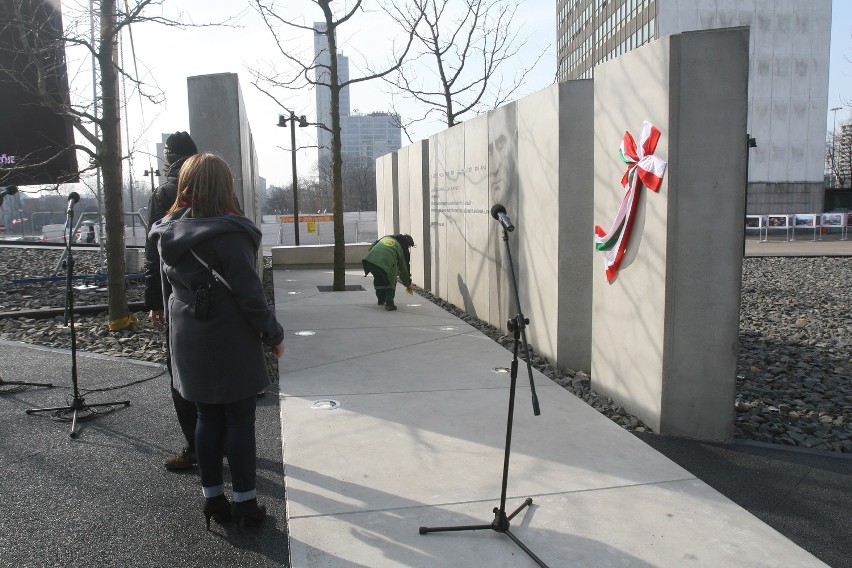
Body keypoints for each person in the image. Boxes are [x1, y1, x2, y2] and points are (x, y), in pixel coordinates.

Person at [148, 153, 285, 530]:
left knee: (206, 416)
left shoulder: (165, 231)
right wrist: (273, 334)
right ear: (226, 186)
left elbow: (167, 293)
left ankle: (213, 499)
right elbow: (250, 295)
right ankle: (245, 504)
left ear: (186, 184)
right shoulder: (231, 233)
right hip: (230, 335)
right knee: (239, 419)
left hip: (188, 336)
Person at [144, 131, 200, 471]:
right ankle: (221, 439)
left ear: (169, 158)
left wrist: (152, 300)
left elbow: (154, 254)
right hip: (214, 294)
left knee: (181, 370)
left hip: (176, 295)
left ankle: (195, 446)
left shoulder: (166, 192)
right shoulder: (213, 188)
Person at [362, 234, 415, 311]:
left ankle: (381, 300)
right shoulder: (402, 247)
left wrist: (376, 257)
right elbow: (404, 268)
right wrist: (408, 284)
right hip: (385, 263)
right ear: (407, 244)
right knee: (391, 280)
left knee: (379, 279)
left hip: (370, 261)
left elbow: (371, 246)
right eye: (409, 247)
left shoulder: (387, 237)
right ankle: (390, 304)